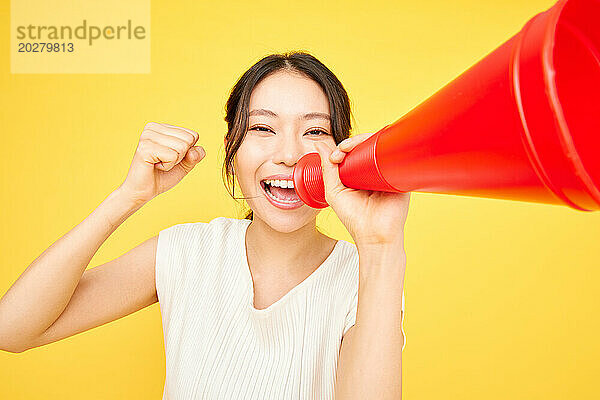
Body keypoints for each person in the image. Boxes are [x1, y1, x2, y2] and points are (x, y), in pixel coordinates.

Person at [0, 51, 410, 399]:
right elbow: (12, 330)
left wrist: (380, 247)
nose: (288, 154)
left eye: (315, 131)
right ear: (232, 148)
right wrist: (128, 196)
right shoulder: (186, 251)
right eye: (263, 128)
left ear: (341, 154)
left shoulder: (368, 276)